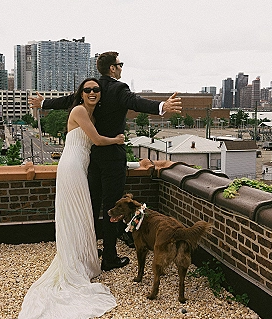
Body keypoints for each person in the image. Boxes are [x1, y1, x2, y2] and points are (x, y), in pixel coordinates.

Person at [29, 52, 182, 271]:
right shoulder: (118, 89)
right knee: (113, 208)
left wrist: (44, 102)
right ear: (112, 68)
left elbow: (67, 101)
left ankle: (90, 249)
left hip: (91, 159)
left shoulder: (91, 90)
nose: (121, 68)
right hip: (111, 157)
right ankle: (109, 257)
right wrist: (161, 107)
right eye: (120, 64)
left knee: (91, 206)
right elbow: (135, 102)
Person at [18, 78, 124, 319]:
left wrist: (44, 102)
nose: (92, 93)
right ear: (81, 93)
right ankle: (76, 262)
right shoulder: (78, 110)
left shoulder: (91, 111)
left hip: (80, 165)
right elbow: (97, 140)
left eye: (96, 89)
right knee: (77, 212)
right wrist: (118, 140)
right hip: (73, 165)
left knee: (80, 214)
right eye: (87, 90)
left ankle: (81, 258)